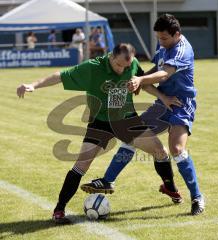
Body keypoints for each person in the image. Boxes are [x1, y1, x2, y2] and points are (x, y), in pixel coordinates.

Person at [16, 43, 181, 224]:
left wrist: (162, 97)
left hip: (126, 120)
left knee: (161, 152)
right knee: (81, 165)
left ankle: (170, 187)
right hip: (100, 123)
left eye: (126, 67)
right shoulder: (93, 68)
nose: (122, 70)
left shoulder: (130, 63)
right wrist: (33, 85)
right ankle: (59, 210)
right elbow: (60, 76)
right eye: (119, 65)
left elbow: (142, 81)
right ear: (111, 56)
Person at [81, 14, 205, 216]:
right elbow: (157, 68)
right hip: (163, 101)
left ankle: (197, 197)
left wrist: (141, 80)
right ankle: (108, 180)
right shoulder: (164, 45)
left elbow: (165, 73)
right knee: (133, 134)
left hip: (182, 103)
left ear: (177, 34)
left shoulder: (183, 49)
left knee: (176, 148)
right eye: (158, 38)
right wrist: (141, 79)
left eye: (164, 38)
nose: (160, 42)